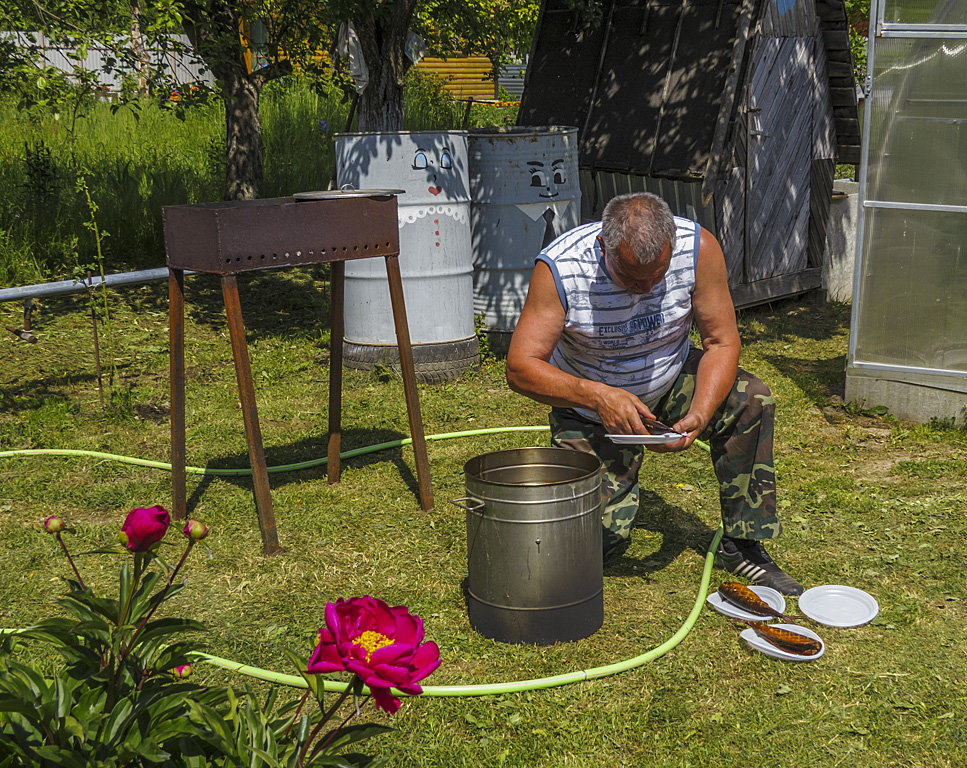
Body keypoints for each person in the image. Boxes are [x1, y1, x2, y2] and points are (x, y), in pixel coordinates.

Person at [505, 192, 803, 596]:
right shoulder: (561, 268)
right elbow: (521, 367)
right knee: (592, 547)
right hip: (590, 408)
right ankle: (608, 487)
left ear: (672, 248)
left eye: (657, 276)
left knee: (751, 398)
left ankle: (744, 542)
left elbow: (721, 343)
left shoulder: (699, 249)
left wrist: (700, 411)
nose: (644, 289)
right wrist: (598, 397)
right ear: (601, 247)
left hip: (669, 377)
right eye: (629, 277)